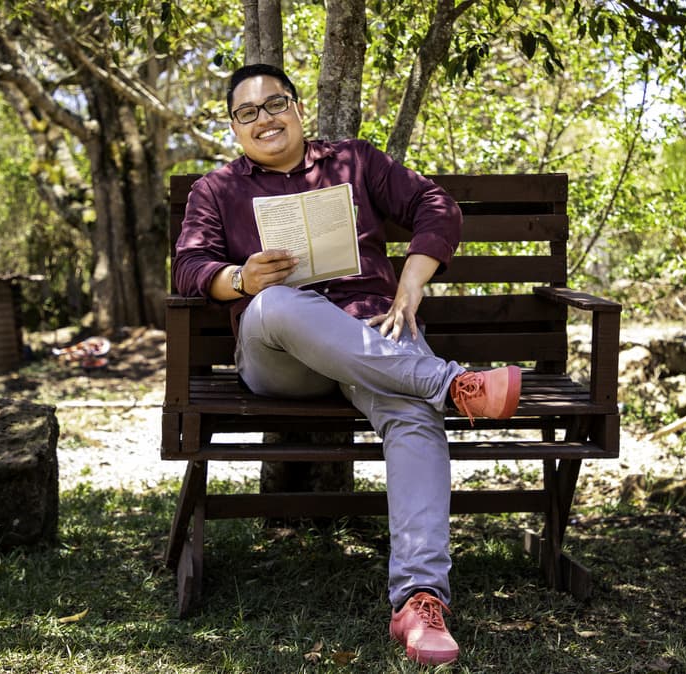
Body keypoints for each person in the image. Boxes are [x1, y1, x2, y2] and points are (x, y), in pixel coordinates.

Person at [173, 63, 522, 666]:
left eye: (276, 103)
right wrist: (239, 276)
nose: (265, 118)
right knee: (280, 301)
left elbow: (436, 206)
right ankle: (453, 383)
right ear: (234, 126)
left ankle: (418, 601)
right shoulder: (218, 189)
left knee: (412, 415)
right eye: (248, 112)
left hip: (372, 341)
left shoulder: (353, 161)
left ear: (299, 108)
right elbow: (188, 268)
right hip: (279, 356)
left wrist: (410, 284)